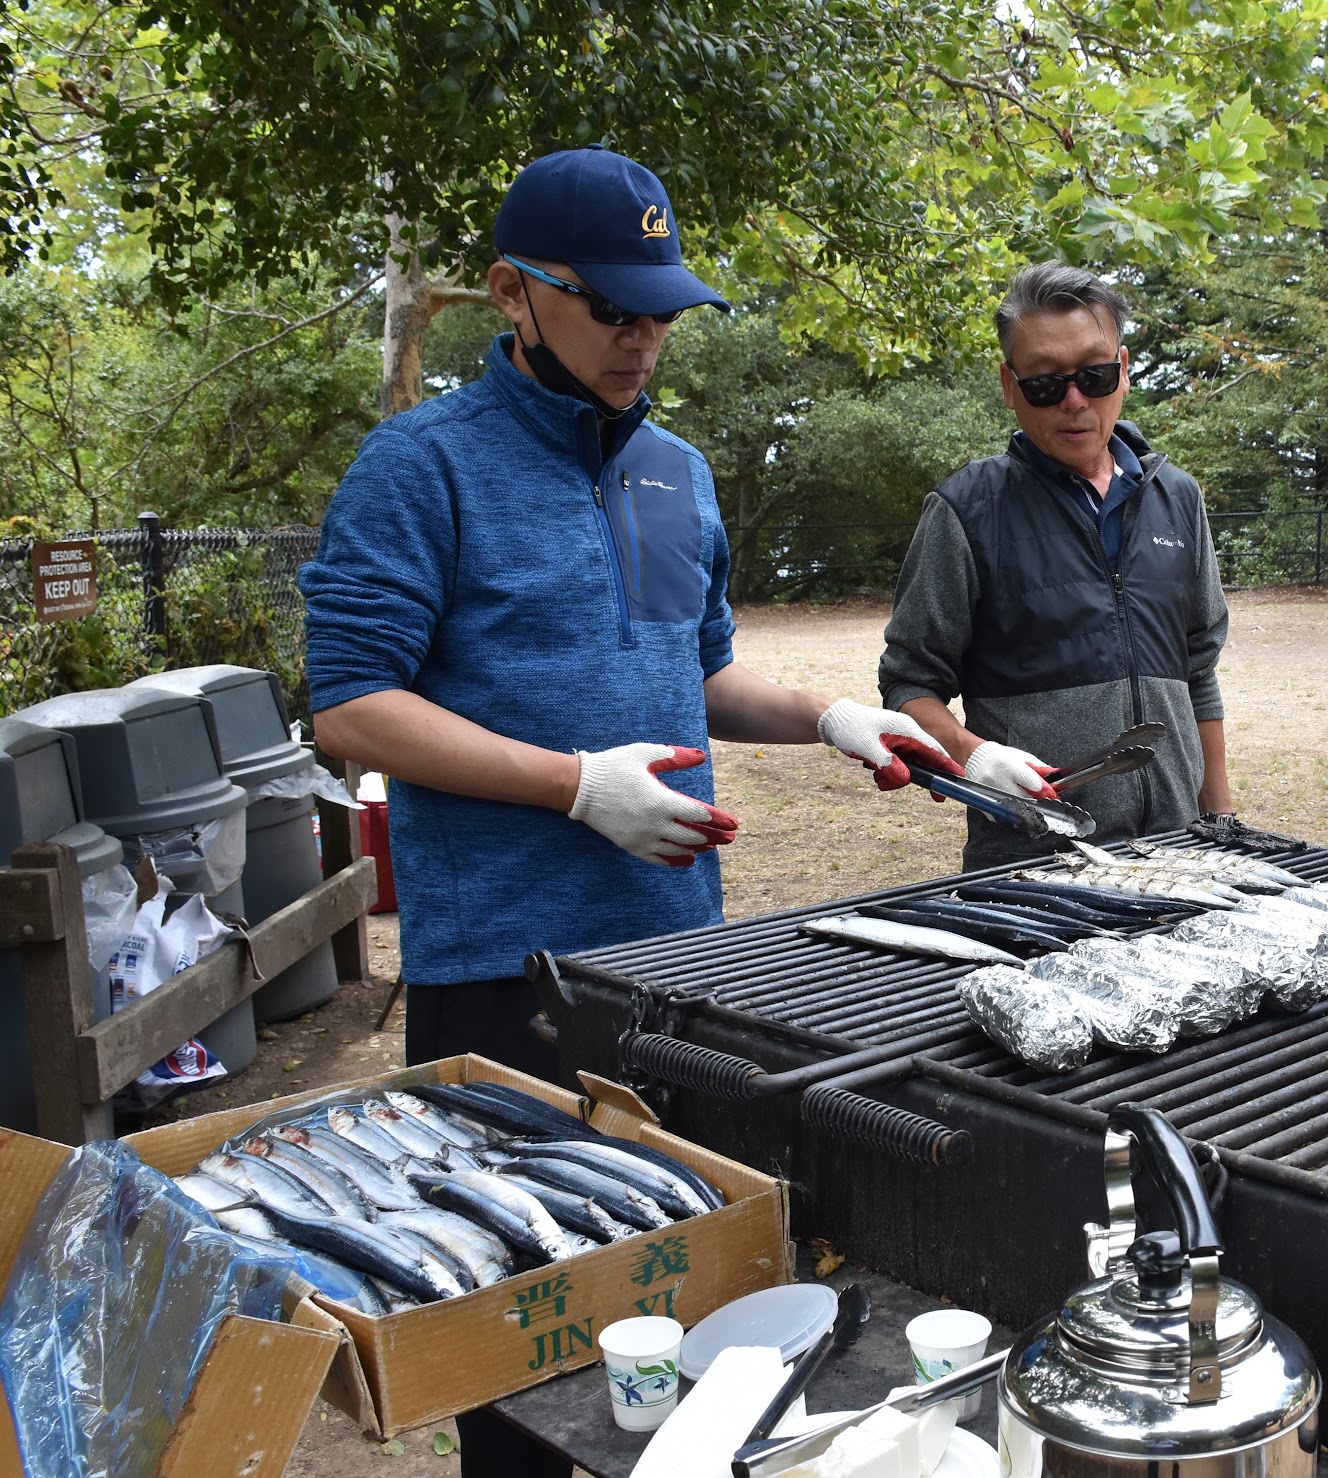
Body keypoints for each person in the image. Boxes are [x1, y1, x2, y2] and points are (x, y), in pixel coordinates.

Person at [300, 146, 943, 1477]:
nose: (641, 337)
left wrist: (826, 716)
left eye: (660, 311)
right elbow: (352, 707)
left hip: (673, 962)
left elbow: (695, 673)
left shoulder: (677, 472)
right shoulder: (421, 467)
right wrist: (572, 783)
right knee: (526, 1343)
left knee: (679, 1328)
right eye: (610, 309)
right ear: (511, 295)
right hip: (503, 975)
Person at [878, 263, 1234, 870]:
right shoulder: (966, 510)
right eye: (1045, 383)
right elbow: (909, 683)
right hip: (1032, 859)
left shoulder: (1178, 497)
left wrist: (1220, 818)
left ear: (1122, 371)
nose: (1073, 401)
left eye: (1093, 375)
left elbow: (1197, 670)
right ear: (1010, 386)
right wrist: (976, 754)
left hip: (1177, 850)